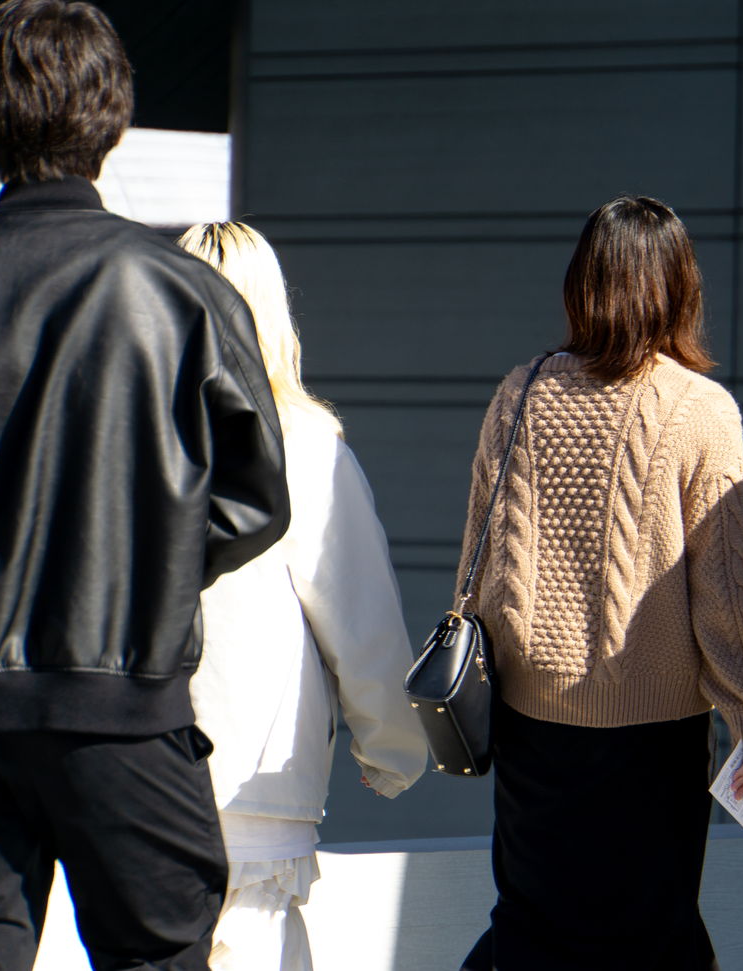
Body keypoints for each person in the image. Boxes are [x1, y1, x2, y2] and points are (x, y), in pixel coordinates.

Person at [0, 0, 290, 969]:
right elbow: (257, 498)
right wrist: (147, 567)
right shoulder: (183, 291)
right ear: (112, 124)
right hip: (128, 714)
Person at [458, 195, 743, 971]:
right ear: (680, 288)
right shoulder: (701, 409)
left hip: (531, 724)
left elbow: (480, 557)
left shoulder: (519, 393)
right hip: (654, 731)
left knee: (533, 931)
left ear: (581, 283)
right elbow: (726, 593)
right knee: (651, 937)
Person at [179, 222, 429, 971]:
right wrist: (393, 750)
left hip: (137, 772)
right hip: (258, 781)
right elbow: (360, 618)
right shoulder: (307, 446)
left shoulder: (132, 436)